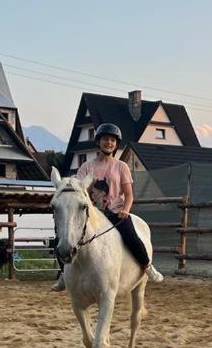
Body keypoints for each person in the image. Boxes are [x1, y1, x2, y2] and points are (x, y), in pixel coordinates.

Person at [51, 123, 149, 291]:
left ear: (116, 144)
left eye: (112, 140)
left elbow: (129, 194)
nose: (108, 143)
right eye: (105, 139)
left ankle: (147, 267)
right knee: (61, 238)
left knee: (132, 237)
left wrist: (125, 209)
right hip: (93, 215)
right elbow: (77, 189)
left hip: (116, 213)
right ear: (99, 142)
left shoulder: (121, 167)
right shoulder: (87, 167)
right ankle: (63, 275)